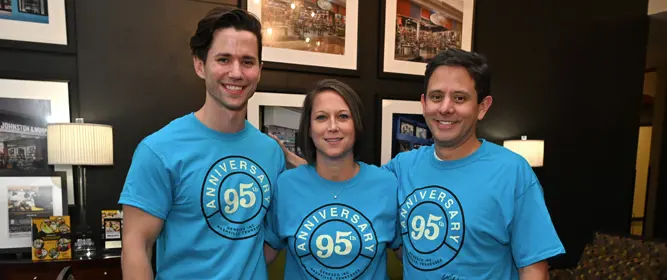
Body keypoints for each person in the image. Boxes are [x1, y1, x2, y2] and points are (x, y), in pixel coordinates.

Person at [276, 48, 565, 279]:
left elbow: (534, 267)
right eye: (437, 97)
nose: (445, 108)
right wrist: (295, 162)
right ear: (424, 103)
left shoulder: (512, 172)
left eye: (460, 98)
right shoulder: (401, 170)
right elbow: (345, 180)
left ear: (483, 107)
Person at [118, 7, 285, 280]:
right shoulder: (158, 150)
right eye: (223, 59)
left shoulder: (270, 153)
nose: (236, 72)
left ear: (259, 70)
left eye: (247, 61)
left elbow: (266, 242)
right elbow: (137, 246)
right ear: (200, 65)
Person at [263, 79, 401, 280]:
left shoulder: (386, 184)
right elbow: (263, 254)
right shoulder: (286, 185)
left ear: (356, 124)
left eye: (343, 116)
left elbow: (413, 256)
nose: (333, 126)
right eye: (321, 117)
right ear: (309, 128)